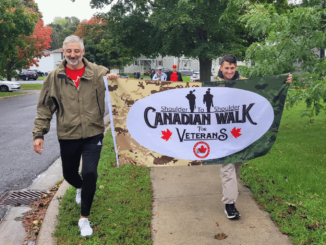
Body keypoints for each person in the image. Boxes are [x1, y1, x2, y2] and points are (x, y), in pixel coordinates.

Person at [32, 35, 118, 237]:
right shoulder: (54, 77)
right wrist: (39, 134)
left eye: (76, 51)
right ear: (64, 52)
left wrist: (115, 80)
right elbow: (45, 108)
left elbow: (115, 83)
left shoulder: (98, 73)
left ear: (83, 52)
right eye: (69, 51)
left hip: (93, 133)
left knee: (90, 173)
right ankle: (80, 187)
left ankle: (84, 218)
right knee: (69, 174)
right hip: (68, 134)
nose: (73, 55)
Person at [215, 54, 292, 220]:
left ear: (236, 68)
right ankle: (230, 204)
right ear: (221, 68)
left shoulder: (246, 83)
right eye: (226, 68)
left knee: (237, 163)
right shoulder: (214, 85)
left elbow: (263, 94)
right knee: (228, 165)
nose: (229, 71)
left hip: (241, 133)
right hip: (222, 133)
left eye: (232, 68)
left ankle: (231, 189)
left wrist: (283, 82)